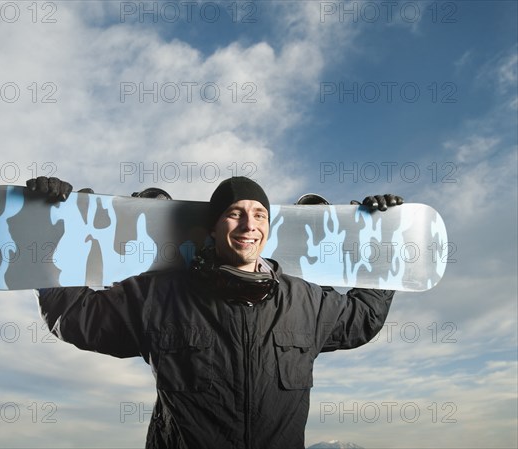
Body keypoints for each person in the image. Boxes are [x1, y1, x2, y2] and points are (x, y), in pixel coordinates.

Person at [28, 176, 403, 449]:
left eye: (259, 215)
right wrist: (51, 231)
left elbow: (364, 317)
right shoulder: (161, 295)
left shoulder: (304, 300)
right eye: (234, 214)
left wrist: (381, 238)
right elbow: (76, 317)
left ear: (268, 229)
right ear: (213, 227)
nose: (248, 225)